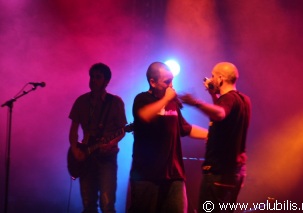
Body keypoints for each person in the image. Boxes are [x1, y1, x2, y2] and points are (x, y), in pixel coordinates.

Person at [128, 61, 208, 213]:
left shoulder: (172, 104)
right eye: (167, 82)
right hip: (146, 175)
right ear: (152, 82)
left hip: (174, 175)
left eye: (172, 80)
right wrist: (165, 99)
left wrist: (210, 135)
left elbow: (186, 128)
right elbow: (144, 116)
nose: (171, 85)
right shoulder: (142, 99)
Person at [179, 62, 251, 213]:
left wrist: (196, 102)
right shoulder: (243, 100)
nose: (210, 80)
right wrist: (213, 94)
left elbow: (220, 113)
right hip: (234, 172)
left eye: (213, 76)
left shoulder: (229, 99)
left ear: (220, 79)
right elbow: (223, 113)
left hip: (219, 172)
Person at [68, 63, 127, 213]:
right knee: (88, 204)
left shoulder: (115, 102)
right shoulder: (81, 101)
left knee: (107, 204)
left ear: (106, 81)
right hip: (86, 157)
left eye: (98, 77)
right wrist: (75, 151)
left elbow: (122, 130)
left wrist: (111, 143)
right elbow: (73, 131)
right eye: (92, 77)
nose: (93, 80)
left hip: (107, 158)